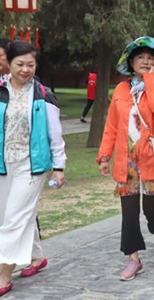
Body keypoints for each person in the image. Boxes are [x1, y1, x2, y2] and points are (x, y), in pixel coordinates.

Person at [97, 36, 154, 281]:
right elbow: (111, 125)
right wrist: (104, 155)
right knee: (128, 212)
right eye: (140, 57)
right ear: (130, 62)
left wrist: (151, 80)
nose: (145, 61)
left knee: (153, 210)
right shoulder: (121, 89)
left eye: (150, 58)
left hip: (152, 159)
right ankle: (133, 259)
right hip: (126, 161)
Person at [0, 40, 67, 297]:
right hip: (4, 164)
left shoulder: (41, 93)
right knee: (9, 215)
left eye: (31, 64)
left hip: (32, 166)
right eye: (20, 64)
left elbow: (55, 134)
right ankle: (36, 257)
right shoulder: (1, 90)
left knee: (13, 220)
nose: (26, 69)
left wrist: (59, 167)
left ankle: (4, 276)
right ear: (8, 63)